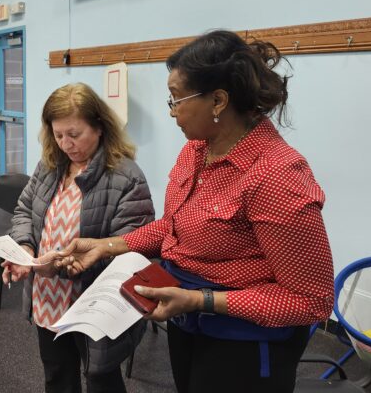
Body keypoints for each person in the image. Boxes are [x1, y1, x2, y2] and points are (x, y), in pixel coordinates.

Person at [51, 31, 335, 393]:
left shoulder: (276, 175)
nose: (171, 111)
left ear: (218, 101)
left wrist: (202, 299)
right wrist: (105, 246)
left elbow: (311, 301)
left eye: (176, 99)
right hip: (188, 318)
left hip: (244, 343)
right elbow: (174, 228)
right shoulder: (198, 150)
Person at [4, 82, 155, 393]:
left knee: (101, 380)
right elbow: (24, 210)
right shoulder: (50, 166)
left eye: (74, 134)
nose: (66, 144)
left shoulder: (126, 176)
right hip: (48, 296)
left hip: (93, 301)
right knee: (57, 376)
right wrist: (25, 248)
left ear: (99, 127)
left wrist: (61, 266)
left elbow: (132, 249)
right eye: (58, 135)